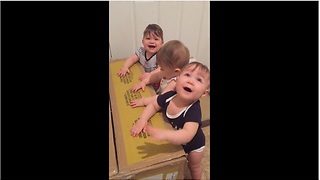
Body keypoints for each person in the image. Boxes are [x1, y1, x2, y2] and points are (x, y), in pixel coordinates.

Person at [130, 62, 210, 180]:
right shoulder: (169, 96)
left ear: (204, 93)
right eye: (187, 75)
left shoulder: (193, 110)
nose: (191, 81)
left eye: (198, 80)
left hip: (193, 145)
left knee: (194, 166)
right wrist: (142, 119)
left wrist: (165, 134)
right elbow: (153, 105)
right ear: (177, 79)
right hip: (176, 141)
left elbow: (187, 135)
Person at [129, 40, 190, 107]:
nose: (159, 69)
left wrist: (143, 101)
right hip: (159, 97)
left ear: (176, 71)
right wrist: (143, 82)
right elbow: (156, 76)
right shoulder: (169, 72)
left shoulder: (174, 83)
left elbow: (161, 98)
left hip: (166, 104)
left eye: (162, 68)